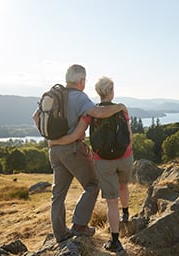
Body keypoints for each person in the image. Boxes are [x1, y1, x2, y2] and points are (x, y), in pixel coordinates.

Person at [32, 64, 127, 243]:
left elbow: (36, 117)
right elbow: (98, 112)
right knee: (92, 184)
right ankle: (79, 225)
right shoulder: (79, 97)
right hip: (72, 149)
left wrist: (52, 138)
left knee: (57, 194)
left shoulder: (54, 95)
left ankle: (60, 235)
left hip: (54, 150)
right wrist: (119, 107)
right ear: (81, 81)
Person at [50, 76, 133, 254]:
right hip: (125, 157)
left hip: (102, 161)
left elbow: (76, 134)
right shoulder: (120, 110)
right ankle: (125, 214)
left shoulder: (87, 111)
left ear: (97, 92)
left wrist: (54, 142)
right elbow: (130, 137)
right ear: (112, 91)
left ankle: (115, 241)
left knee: (111, 202)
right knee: (120, 185)